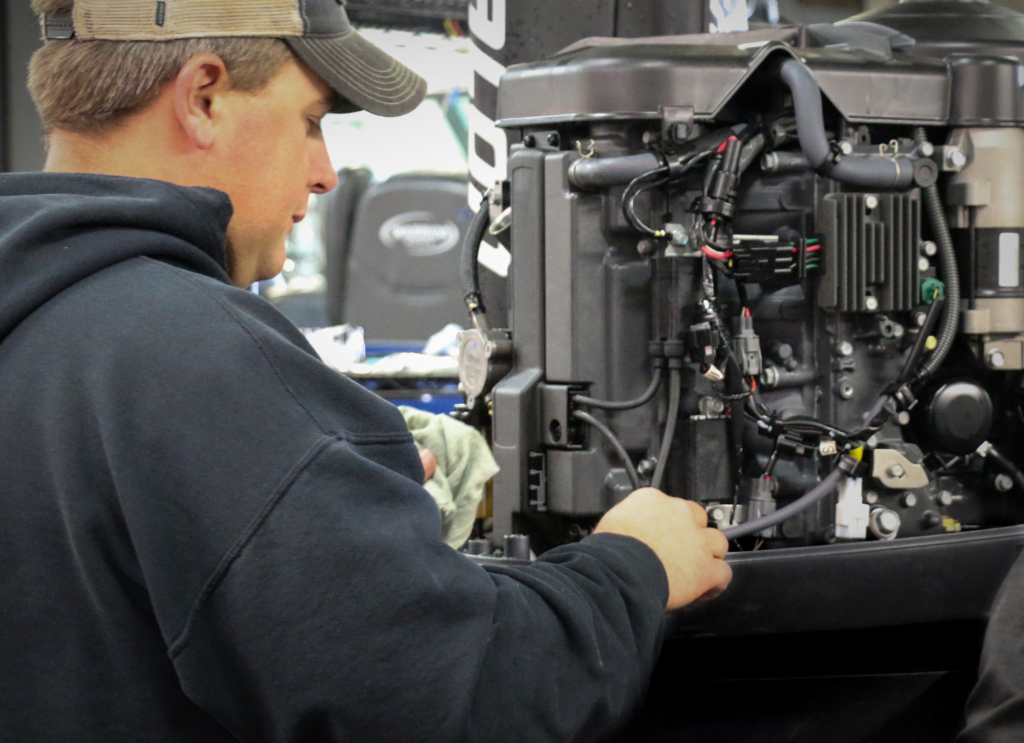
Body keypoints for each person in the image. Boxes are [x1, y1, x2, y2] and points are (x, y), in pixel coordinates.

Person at [0, 1, 732, 741]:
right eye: (312, 121)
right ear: (204, 99)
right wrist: (631, 566)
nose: (323, 175)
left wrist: (342, 496)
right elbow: (455, 696)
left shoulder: (38, 317)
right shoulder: (189, 350)